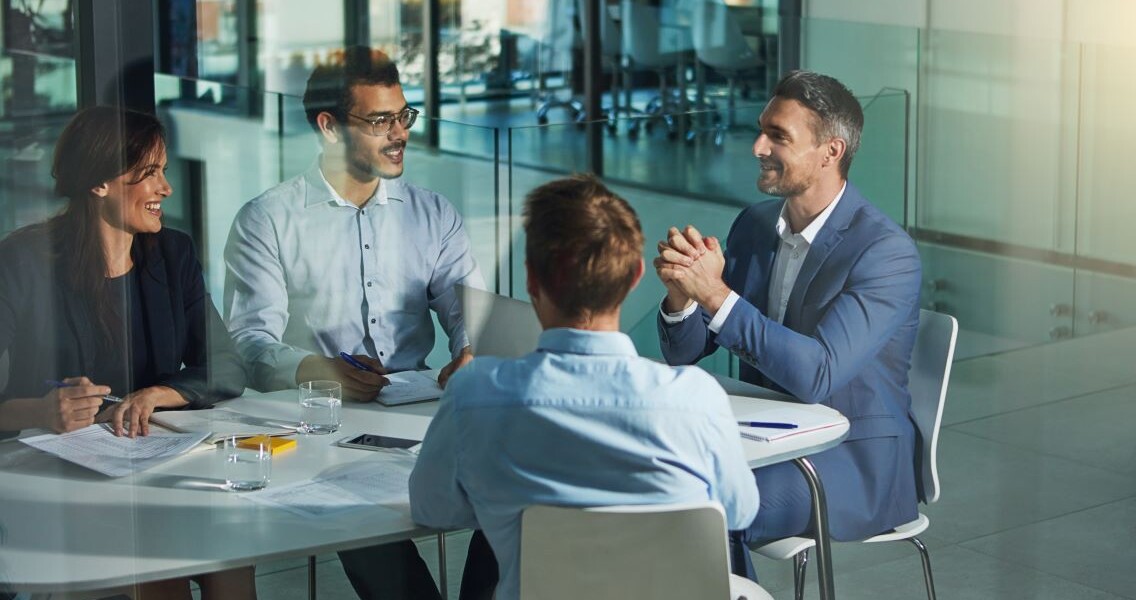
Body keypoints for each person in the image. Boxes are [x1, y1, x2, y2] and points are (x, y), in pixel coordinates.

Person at [410, 174, 760, 600]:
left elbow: (433, 509)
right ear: (634, 277)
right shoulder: (694, 399)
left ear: (531, 281)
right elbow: (740, 511)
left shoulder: (473, 396)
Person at [222, 46, 484, 600]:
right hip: (325, 426)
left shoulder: (433, 214)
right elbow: (247, 342)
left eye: (403, 115)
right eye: (380, 120)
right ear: (330, 128)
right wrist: (317, 370)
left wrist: (470, 351)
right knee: (359, 517)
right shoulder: (267, 220)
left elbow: (470, 314)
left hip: (424, 412)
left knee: (517, 482)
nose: (399, 133)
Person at [654, 70, 923, 579]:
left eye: (778, 136)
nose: (758, 146)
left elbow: (818, 375)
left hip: (849, 462)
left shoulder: (886, 253)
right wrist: (684, 296)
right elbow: (685, 352)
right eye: (762, 129)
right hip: (762, 440)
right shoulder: (755, 225)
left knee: (706, 509)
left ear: (830, 152)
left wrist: (716, 293)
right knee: (651, 490)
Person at [0, 106, 253, 598]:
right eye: (150, 174)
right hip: (59, 477)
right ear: (99, 183)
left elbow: (226, 365)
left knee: (231, 557)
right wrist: (40, 410)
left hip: (154, 463)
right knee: (160, 568)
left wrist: (158, 393)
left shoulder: (172, 253)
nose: (166, 189)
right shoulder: (22, 262)